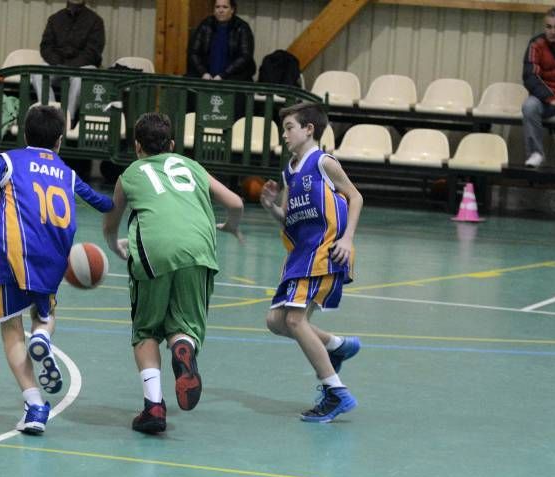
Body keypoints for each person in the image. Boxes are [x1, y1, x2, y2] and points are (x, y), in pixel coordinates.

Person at [0, 105, 113, 435]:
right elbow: (102, 202)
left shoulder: (9, 161)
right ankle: (42, 335)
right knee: (44, 314)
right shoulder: (67, 172)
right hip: (53, 257)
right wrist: (126, 198)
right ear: (60, 141)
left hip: (10, 256)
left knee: (10, 326)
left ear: (24, 135)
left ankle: (35, 404)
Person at [102, 112, 244, 434]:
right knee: (185, 325)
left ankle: (154, 406)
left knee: (146, 330)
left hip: (155, 252)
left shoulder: (130, 174)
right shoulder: (192, 166)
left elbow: (111, 222)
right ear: (173, 145)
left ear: (137, 146)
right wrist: (229, 227)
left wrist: (114, 245)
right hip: (199, 251)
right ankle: (184, 348)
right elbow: (235, 203)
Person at [259, 102, 363, 423]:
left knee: (294, 321)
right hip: (300, 255)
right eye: (283, 129)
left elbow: (356, 197)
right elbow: (290, 219)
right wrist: (270, 206)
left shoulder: (323, 162)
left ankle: (336, 392)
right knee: (276, 321)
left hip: (325, 252)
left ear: (309, 129)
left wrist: (346, 239)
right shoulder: (290, 170)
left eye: (289, 127)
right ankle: (337, 345)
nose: (284, 134)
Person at [30, 0, 105, 122]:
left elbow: (93, 52)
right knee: (38, 73)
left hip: (82, 66)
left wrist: (71, 65)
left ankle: (68, 119)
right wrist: (57, 62)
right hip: (58, 64)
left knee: (80, 78)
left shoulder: (96, 21)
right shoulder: (55, 19)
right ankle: (51, 116)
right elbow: (46, 46)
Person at [522, 6, 555, 168]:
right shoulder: (536, 44)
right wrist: (551, 98)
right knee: (529, 106)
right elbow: (530, 76)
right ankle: (536, 153)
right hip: (545, 100)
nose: (553, 31)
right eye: (549, 27)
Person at [186, 0, 256, 82]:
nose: (220, 10)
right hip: (206, 77)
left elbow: (245, 56)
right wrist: (203, 72)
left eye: (225, 7)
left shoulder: (242, 27)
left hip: (233, 78)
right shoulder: (205, 25)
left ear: (232, 10)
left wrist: (223, 75)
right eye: (217, 7)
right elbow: (193, 52)